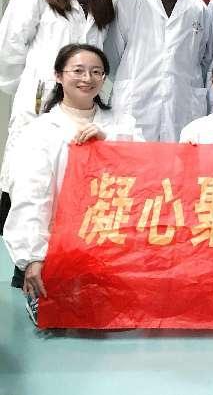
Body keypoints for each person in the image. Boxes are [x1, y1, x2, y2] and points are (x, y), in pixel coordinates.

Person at [0, 0, 116, 289]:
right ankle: (26, 269)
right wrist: (35, 89)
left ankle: (69, 273)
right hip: (40, 103)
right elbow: (9, 52)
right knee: (32, 184)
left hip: (80, 104)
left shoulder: (101, 4)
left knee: (74, 185)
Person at [2, 44, 140, 323]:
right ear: (58, 75)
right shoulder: (39, 131)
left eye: (96, 72)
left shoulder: (122, 125)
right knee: (62, 314)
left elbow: (146, 171)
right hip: (58, 244)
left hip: (108, 240)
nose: (87, 79)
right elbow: (31, 196)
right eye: (78, 71)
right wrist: (34, 257)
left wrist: (109, 143)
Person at [105, 0, 209, 141]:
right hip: (136, 99)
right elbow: (113, 54)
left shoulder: (197, 7)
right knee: (134, 157)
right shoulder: (127, 2)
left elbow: (203, 58)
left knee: (179, 157)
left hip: (182, 101)